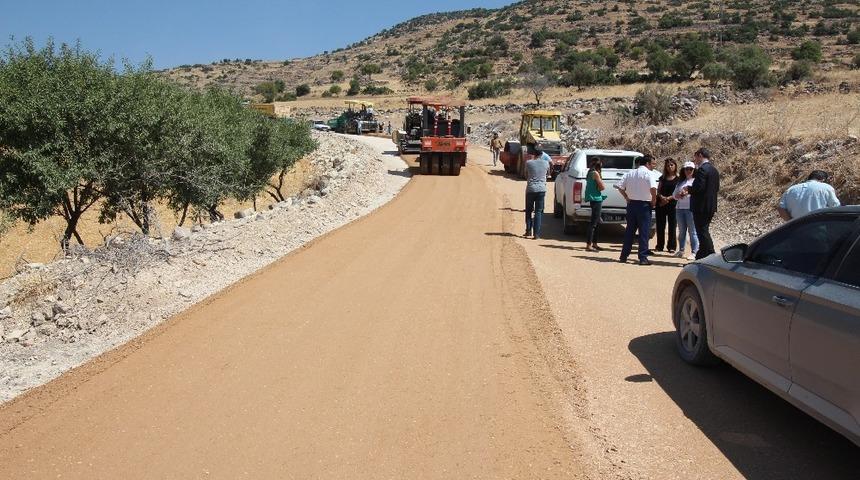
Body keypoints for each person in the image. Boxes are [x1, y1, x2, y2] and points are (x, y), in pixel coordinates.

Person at [616, 155, 658, 265]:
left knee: (629, 231)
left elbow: (620, 187)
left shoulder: (630, 173)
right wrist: (654, 200)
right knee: (643, 232)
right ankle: (643, 257)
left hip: (632, 204)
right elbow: (653, 188)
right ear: (648, 163)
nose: (653, 166)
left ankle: (624, 256)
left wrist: (626, 197)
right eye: (652, 163)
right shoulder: (649, 173)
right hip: (644, 205)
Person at [683, 148, 719, 260]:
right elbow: (716, 188)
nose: (695, 160)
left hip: (701, 207)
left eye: (695, 157)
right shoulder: (714, 170)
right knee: (703, 230)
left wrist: (688, 188)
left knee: (702, 231)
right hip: (710, 205)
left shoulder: (702, 169)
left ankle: (711, 254)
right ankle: (701, 257)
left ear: (700, 155)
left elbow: (699, 188)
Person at [672, 161, 699, 260]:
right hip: (679, 209)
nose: (688, 171)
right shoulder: (680, 182)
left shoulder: (696, 181)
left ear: (694, 170)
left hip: (690, 209)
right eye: (686, 169)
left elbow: (697, 194)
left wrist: (687, 194)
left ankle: (694, 252)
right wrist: (678, 195)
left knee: (693, 231)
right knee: (682, 231)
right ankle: (681, 250)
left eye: (690, 169)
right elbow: (674, 195)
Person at [524, 146, 551, 240]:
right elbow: (548, 174)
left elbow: (526, 174)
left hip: (530, 189)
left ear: (533, 153)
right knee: (538, 212)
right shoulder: (546, 163)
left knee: (528, 211)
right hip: (541, 189)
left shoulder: (528, 163)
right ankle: (536, 234)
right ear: (542, 153)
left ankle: (528, 231)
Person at [655, 158, 679, 253]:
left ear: (675, 166)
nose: (670, 167)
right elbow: (658, 190)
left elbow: (678, 192)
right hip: (661, 204)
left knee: (672, 226)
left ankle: (671, 246)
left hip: (673, 204)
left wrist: (668, 198)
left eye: (672, 165)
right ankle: (659, 246)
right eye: (668, 165)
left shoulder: (679, 179)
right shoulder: (662, 178)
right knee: (660, 226)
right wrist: (661, 197)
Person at [584, 158, 607, 252]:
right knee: (594, 223)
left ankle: (594, 243)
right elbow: (602, 187)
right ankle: (589, 245)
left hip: (593, 198)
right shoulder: (595, 173)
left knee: (596, 222)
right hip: (596, 199)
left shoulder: (590, 172)